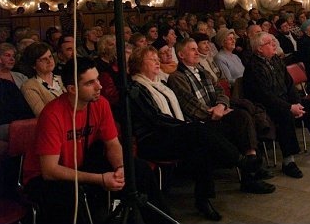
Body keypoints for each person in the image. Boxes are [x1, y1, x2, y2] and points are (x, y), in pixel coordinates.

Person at [22, 57, 167, 224]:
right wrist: (100, 179)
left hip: (80, 165)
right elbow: (50, 170)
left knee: (137, 169)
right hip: (42, 178)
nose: (99, 86)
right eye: (90, 83)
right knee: (71, 195)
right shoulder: (52, 114)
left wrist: (120, 168)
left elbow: (112, 144)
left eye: (97, 79)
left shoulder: (100, 103)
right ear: (72, 89)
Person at [128, 46, 265, 221]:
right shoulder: (136, 88)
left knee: (206, 140)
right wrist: (186, 127)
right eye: (152, 59)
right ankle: (240, 161)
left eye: (157, 58)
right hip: (153, 139)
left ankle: (203, 199)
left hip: (173, 132)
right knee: (198, 131)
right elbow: (156, 118)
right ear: (139, 64)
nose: (157, 62)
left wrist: (188, 126)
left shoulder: (160, 84)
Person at [167, 39, 276, 195]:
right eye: (192, 50)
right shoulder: (177, 77)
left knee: (242, 115)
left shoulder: (203, 71)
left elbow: (220, 91)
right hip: (201, 123)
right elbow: (189, 104)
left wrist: (221, 106)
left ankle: (250, 168)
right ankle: (251, 172)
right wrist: (213, 112)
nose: (197, 52)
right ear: (181, 55)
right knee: (241, 122)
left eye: (197, 49)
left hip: (218, 113)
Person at [244, 32, 310, 179]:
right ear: (259, 49)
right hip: (266, 106)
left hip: (285, 100)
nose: (274, 44)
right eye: (269, 43)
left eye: (273, 41)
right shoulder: (253, 67)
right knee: (285, 116)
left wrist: (296, 102)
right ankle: (288, 162)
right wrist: (289, 107)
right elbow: (265, 96)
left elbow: (289, 84)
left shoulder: (276, 60)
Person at [20, 42, 66, 116]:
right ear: (33, 65)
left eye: (50, 56)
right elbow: (42, 114)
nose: (49, 61)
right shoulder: (29, 86)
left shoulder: (62, 78)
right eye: (44, 59)